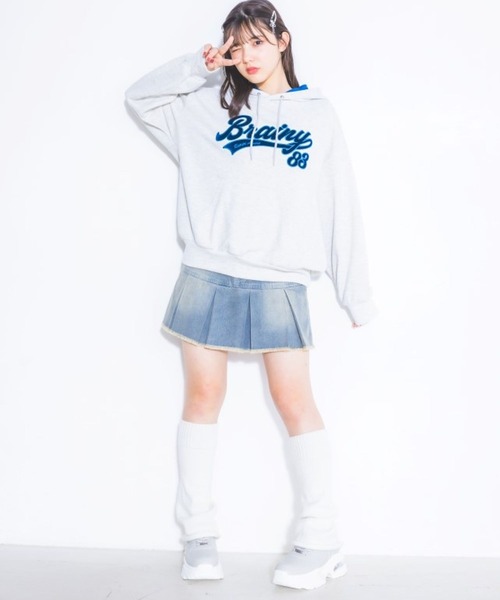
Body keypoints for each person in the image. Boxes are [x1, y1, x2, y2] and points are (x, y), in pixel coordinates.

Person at [124, 0, 378, 590]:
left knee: (294, 401)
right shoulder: (206, 108)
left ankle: (322, 538)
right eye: (237, 46)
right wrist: (200, 67)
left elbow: (340, 203)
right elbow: (139, 98)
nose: (248, 56)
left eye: (259, 42)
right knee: (202, 398)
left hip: (280, 279)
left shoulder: (318, 115)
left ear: (283, 40)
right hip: (207, 272)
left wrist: (356, 294)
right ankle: (199, 536)